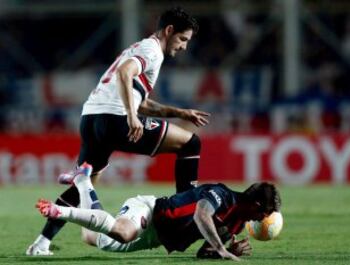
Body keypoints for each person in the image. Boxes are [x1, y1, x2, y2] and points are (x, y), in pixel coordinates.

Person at [26, 7, 210, 256]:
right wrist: (132, 117)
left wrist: (180, 113)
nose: (184, 47)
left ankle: (41, 243)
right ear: (169, 31)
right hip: (116, 119)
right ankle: (183, 219)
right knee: (191, 144)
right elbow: (125, 74)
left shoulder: (137, 48)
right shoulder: (152, 50)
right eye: (183, 39)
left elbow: (140, 100)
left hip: (91, 118)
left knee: (85, 184)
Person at [35, 163, 281, 260]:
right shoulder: (222, 194)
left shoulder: (236, 225)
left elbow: (202, 255)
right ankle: (60, 211)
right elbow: (201, 215)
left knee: (91, 237)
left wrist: (224, 251)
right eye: (266, 213)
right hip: (151, 210)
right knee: (124, 231)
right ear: (257, 206)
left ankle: (82, 181)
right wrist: (221, 248)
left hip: (156, 238)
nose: (264, 219)